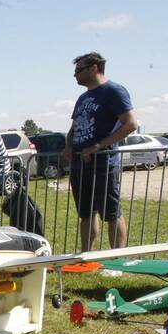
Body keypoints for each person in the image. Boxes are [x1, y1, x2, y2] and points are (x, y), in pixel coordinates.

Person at [62, 51, 136, 252]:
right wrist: (68, 146)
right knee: (86, 213)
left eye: (79, 70)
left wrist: (98, 146)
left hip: (103, 164)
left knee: (111, 213)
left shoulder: (114, 91)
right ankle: (85, 255)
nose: (75, 75)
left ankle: (116, 259)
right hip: (80, 164)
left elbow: (130, 124)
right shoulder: (82, 97)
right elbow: (73, 128)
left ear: (94, 68)